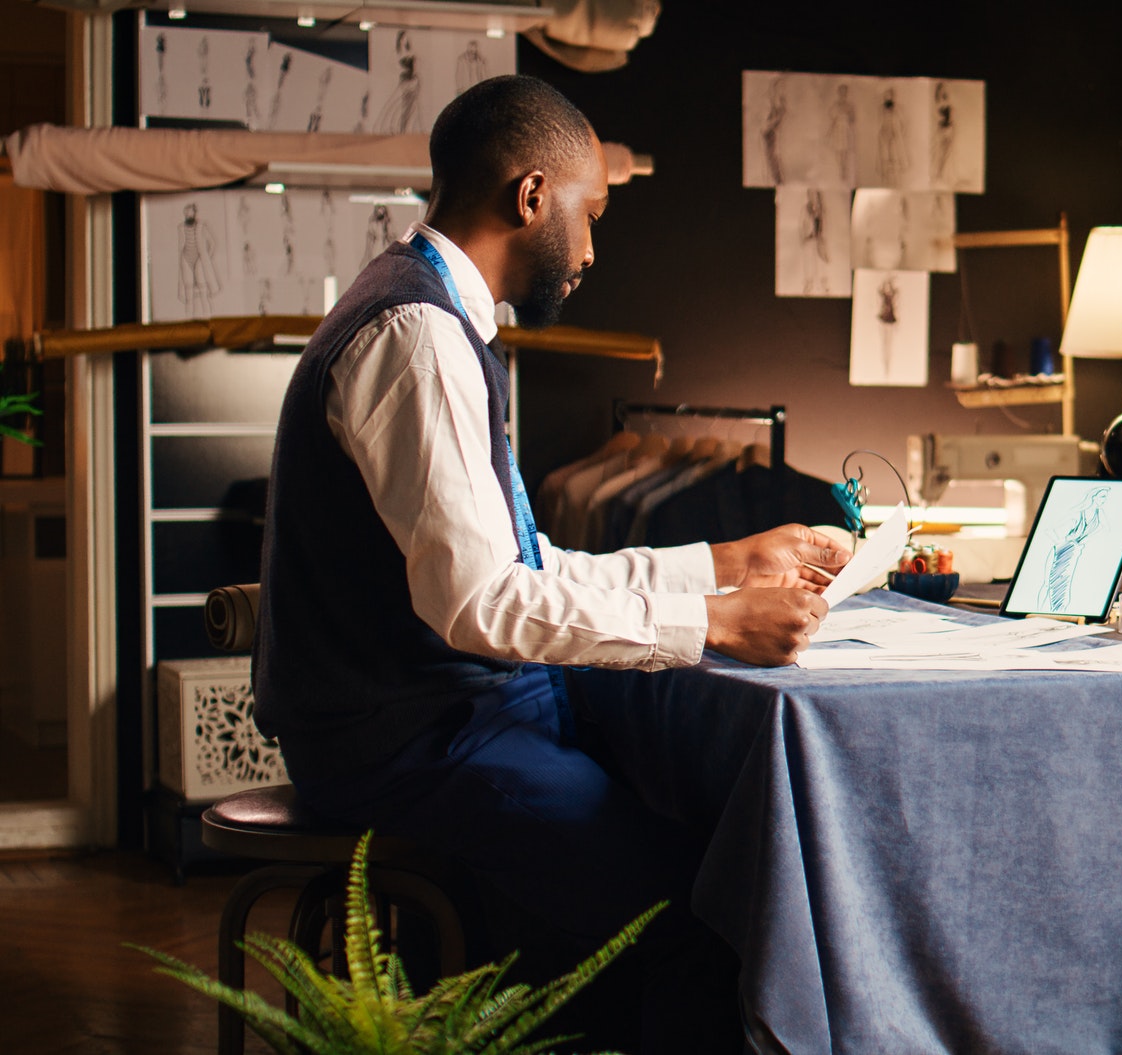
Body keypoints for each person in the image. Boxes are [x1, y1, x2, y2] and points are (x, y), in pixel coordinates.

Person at [253, 74, 849, 1051]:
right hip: (405, 745)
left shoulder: (423, 315)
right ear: (531, 196)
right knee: (702, 914)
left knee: (690, 828)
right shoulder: (418, 339)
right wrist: (714, 622)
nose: (590, 248)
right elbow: (480, 603)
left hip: (427, 721)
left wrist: (720, 562)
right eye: (590, 213)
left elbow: (522, 565)